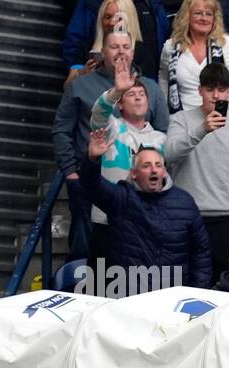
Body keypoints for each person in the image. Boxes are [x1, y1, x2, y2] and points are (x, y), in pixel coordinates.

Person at [54, 28, 169, 260]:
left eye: (126, 47)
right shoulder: (81, 84)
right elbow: (63, 130)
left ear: (134, 51)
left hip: (142, 194)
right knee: (87, 251)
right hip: (90, 180)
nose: (120, 52)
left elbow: (163, 133)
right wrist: (71, 172)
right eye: (114, 47)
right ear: (102, 51)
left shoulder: (151, 88)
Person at [80, 127, 211, 288]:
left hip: (172, 296)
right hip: (129, 295)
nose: (154, 169)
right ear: (133, 173)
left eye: (158, 165)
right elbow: (91, 186)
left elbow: (201, 251)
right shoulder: (121, 198)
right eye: (147, 165)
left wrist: (197, 292)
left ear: (164, 171)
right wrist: (92, 159)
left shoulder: (185, 202)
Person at [165, 62, 229, 280]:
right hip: (186, 217)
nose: (216, 95)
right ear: (199, 90)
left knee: (224, 287)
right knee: (183, 285)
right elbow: (168, 155)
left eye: (222, 89)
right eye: (210, 89)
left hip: (226, 219)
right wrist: (202, 129)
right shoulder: (180, 120)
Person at [88, 60, 167, 262]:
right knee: (100, 289)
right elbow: (98, 113)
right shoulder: (111, 128)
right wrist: (116, 91)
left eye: (142, 95)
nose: (138, 98)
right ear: (120, 104)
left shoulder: (161, 139)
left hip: (144, 224)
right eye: (131, 94)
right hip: (108, 223)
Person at [159, 0, 229, 114]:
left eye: (209, 14)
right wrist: (165, 109)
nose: (203, 18)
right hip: (182, 119)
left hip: (221, 117)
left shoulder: (226, 43)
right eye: (198, 13)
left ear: (215, 19)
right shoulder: (171, 46)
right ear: (187, 17)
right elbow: (163, 79)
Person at [64, 0, 169, 80]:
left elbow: (149, 95)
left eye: (119, 18)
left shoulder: (143, 54)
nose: (111, 23)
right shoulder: (86, 49)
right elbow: (68, 88)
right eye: (107, 17)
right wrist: (80, 74)